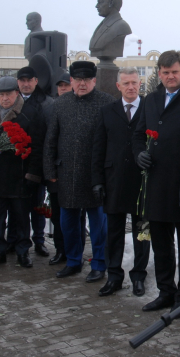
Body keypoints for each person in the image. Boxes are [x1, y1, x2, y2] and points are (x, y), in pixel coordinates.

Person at [133, 50, 180, 313]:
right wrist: (139, 154)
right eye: (165, 72)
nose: (170, 76)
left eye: (174, 71)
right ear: (158, 74)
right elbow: (138, 135)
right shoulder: (151, 99)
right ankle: (165, 291)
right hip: (157, 183)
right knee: (160, 242)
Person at [44, 61, 114, 281]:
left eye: (86, 79)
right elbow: (50, 139)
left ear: (94, 80)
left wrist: (107, 174)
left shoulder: (107, 103)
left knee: (98, 225)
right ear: (71, 81)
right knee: (68, 223)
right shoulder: (60, 103)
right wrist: (50, 170)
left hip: (95, 176)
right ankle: (74, 260)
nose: (82, 84)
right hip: (67, 175)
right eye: (77, 79)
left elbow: (112, 141)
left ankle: (99, 263)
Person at [0, 76, 45, 269]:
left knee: (21, 218)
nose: (4, 98)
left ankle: (23, 251)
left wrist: (33, 174)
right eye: (1, 94)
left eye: (8, 94)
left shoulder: (30, 113)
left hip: (19, 175)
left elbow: (37, 145)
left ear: (17, 93)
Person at [91, 67, 150, 297]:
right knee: (113, 233)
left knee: (142, 232)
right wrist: (97, 180)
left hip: (141, 183)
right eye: (126, 83)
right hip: (113, 181)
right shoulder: (107, 111)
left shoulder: (149, 108)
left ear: (140, 83)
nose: (131, 87)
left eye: (134, 82)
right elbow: (98, 148)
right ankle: (114, 276)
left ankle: (139, 277)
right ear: (118, 86)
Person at [16, 65, 53, 258]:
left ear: (36, 81)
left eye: (29, 80)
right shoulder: (13, 101)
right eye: (22, 80)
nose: (26, 84)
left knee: (37, 207)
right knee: (19, 209)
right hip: (16, 164)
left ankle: (39, 241)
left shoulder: (47, 102)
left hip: (36, 163)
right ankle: (18, 241)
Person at [47, 71, 72, 266]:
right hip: (57, 171)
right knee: (57, 216)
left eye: (66, 85)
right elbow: (47, 142)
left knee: (75, 217)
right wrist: (49, 172)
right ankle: (60, 250)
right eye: (60, 85)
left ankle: (73, 252)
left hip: (75, 173)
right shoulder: (50, 107)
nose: (63, 88)